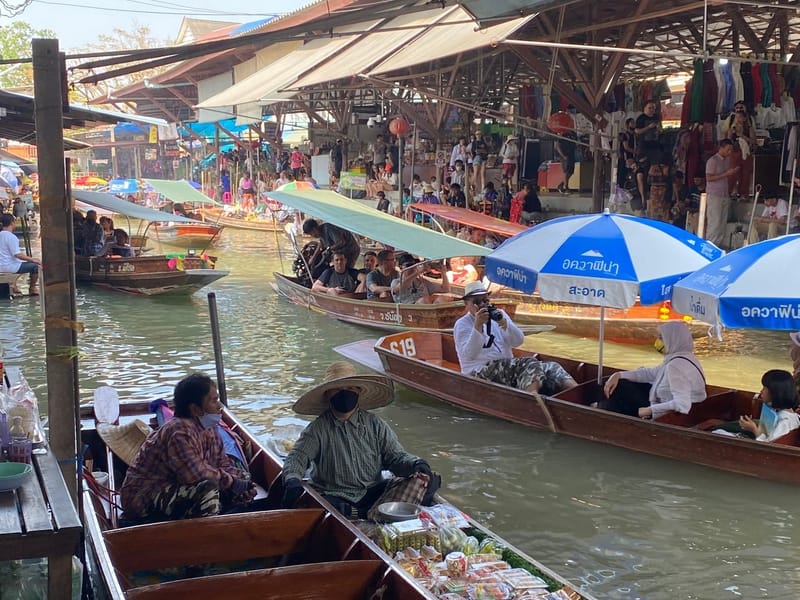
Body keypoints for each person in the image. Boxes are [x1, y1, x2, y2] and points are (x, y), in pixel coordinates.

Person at [281, 362, 438, 519]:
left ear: (358, 391)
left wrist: (415, 463)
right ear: (328, 394)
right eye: (338, 389)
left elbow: (395, 457)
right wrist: (292, 479)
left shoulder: (375, 424)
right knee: (320, 502)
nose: (345, 393)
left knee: (422, 479)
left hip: (373, 491)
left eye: (350, 388)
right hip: (336, 495)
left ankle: (371, 515)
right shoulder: (318, 429)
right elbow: (297, 458)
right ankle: (380, 515)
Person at [119, 373, 257, 522]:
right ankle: (207, 536)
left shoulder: (210, 428)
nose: (220, 406)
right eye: (214, 400)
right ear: (195, 409)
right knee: (208, 490)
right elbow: (195, 475)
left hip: (179, 488)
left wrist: (242, 482)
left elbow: (222, 464)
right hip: (144, 498)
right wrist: (232, 482)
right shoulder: (179, 431)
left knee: (240, 480)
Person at [453, 282, 578, 395]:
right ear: (467, 304)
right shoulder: (462, 324)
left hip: (508, 368)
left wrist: (505, 324)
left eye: (485, 300)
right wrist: (478, 326)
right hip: (478, 372)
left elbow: (518, 341)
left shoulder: (498, 315)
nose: (482, 305)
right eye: (477, 301)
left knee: (552, 367)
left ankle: (582, 399)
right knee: (529, 363)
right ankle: (531, 401)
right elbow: (469, 355)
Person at [603, 321, 706, 419]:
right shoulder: (685, 358)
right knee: (625, 382)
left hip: (663, 413)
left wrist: (648, 410)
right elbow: (649, 374)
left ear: (672, 341)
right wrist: (618, 375)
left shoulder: (675, 366)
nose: (658, 341)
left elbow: (682, 404)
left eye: (661, 338)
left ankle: (609, 420)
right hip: (670, 404)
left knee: (621, 388)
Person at [738, 370, 799, 442]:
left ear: (775, 393)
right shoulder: (789, 415)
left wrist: (753, 429)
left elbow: (767, 447)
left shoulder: (784, 422)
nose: (761, 391)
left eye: (764, 388)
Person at [704, 139, 738, 248]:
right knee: (715, 222)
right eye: (728, 149)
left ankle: (718, 245)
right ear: (721, 148)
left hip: (724, 194)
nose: (729, 152)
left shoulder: (726, 160)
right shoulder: (712, 161)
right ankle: (710, 245)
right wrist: (726, 174)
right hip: (714, 195)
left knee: (722, 223)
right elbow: (709, 178)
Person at [0, 213, 40, 296]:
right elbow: (17, 254)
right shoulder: (11, 237)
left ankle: (14, 285)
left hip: (2, 265)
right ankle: (32, 288)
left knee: (21, 263)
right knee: (35, 267)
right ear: (12, 223)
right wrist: (33, 259)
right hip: (9, 267)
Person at [634, 100, 662, 164]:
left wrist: (659, 129)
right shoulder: (641, 118)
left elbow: (661, 130)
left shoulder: (656, 117)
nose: (652, 110)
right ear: (645, 108)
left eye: (653, 108)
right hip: (644, 146)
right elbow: (637, 131)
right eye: (650, 108)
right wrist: (648, 127)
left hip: (655, 145)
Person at [555, 130, 577, 194]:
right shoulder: (562, 133)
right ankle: (566, 187)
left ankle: (561, 184)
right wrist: (563, 155)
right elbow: (558, 146)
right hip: (565, 155)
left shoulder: (573, 133)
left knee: (571, 172)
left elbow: (575, 142)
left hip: (571, 154)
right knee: (567, 171)